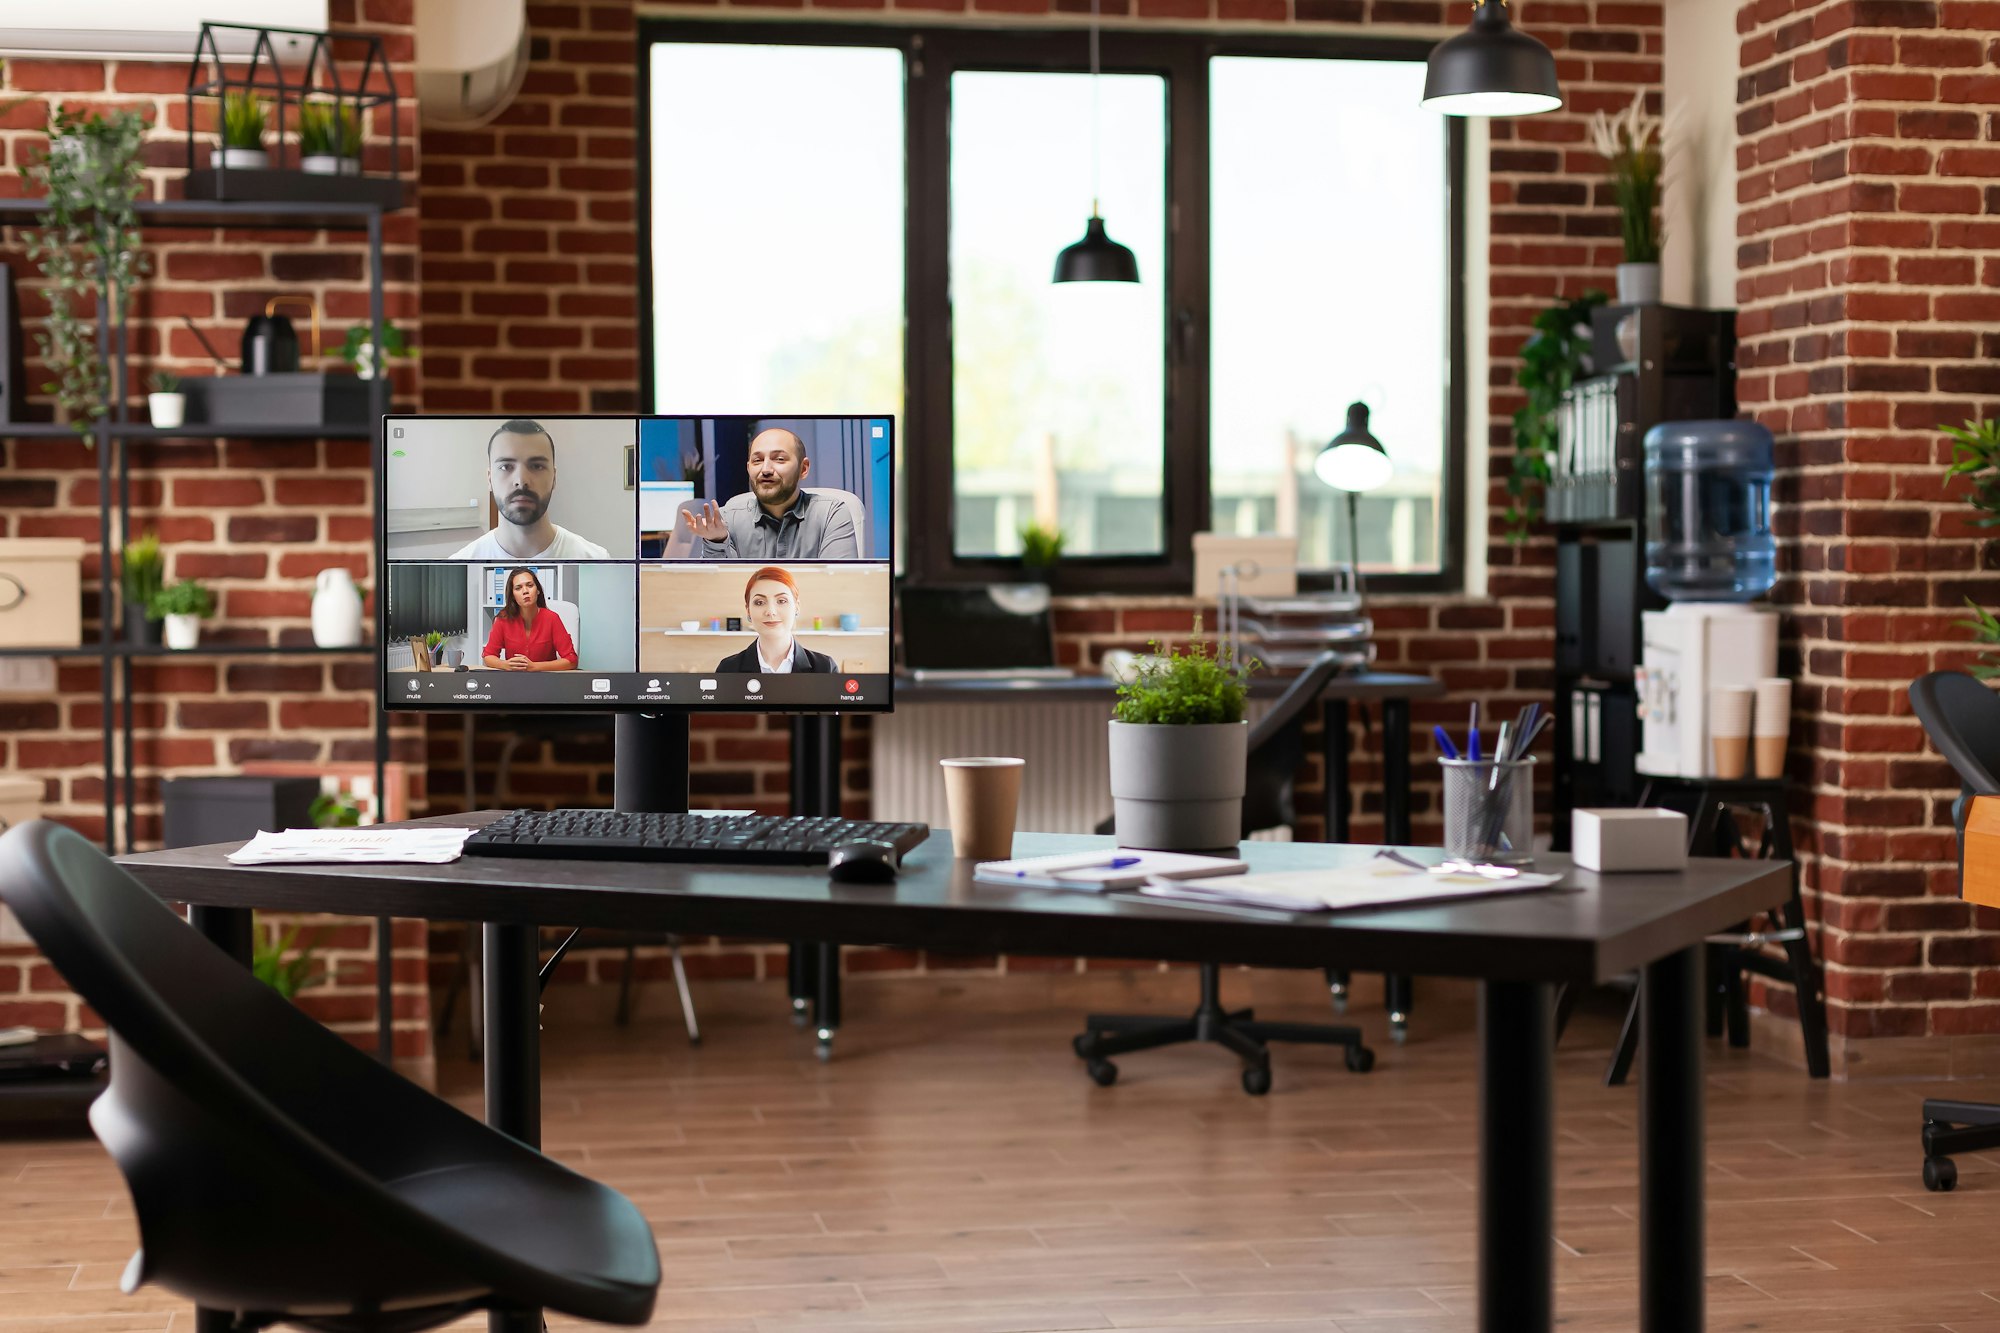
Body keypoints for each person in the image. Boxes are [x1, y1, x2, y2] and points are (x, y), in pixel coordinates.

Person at [680, 426, 860, 560]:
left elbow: (839, 586)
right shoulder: (727, 518)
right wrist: (717, 541)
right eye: (757, 460)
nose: (765, 469)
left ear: (803, 468)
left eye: (779, 459)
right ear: (748, 468)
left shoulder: (832, 513)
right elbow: (717, 592)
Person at [451, 419, 610, 561]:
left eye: (536, 466)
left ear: (554, 478)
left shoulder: (597, 560)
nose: (521, 481)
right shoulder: (461, 563)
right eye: (506, 467)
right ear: (489, 478)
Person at [712, 566, 836, 674]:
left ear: (796, 607)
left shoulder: (825, 668)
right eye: (759, 602)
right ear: (748, 610)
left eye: (781, 601)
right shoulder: (728, 669)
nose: (770, 611)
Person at [483, 567, 578, 672]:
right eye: (518, 588)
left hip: (546, 681)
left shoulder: (552, 618)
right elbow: (488, 656)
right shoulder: (503, 618)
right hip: (514, 681)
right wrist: (505, 664)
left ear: (537, 590)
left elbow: (571, 660)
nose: (525, 591)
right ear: (513, 595)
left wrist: (534, 667)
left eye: (530, 585)